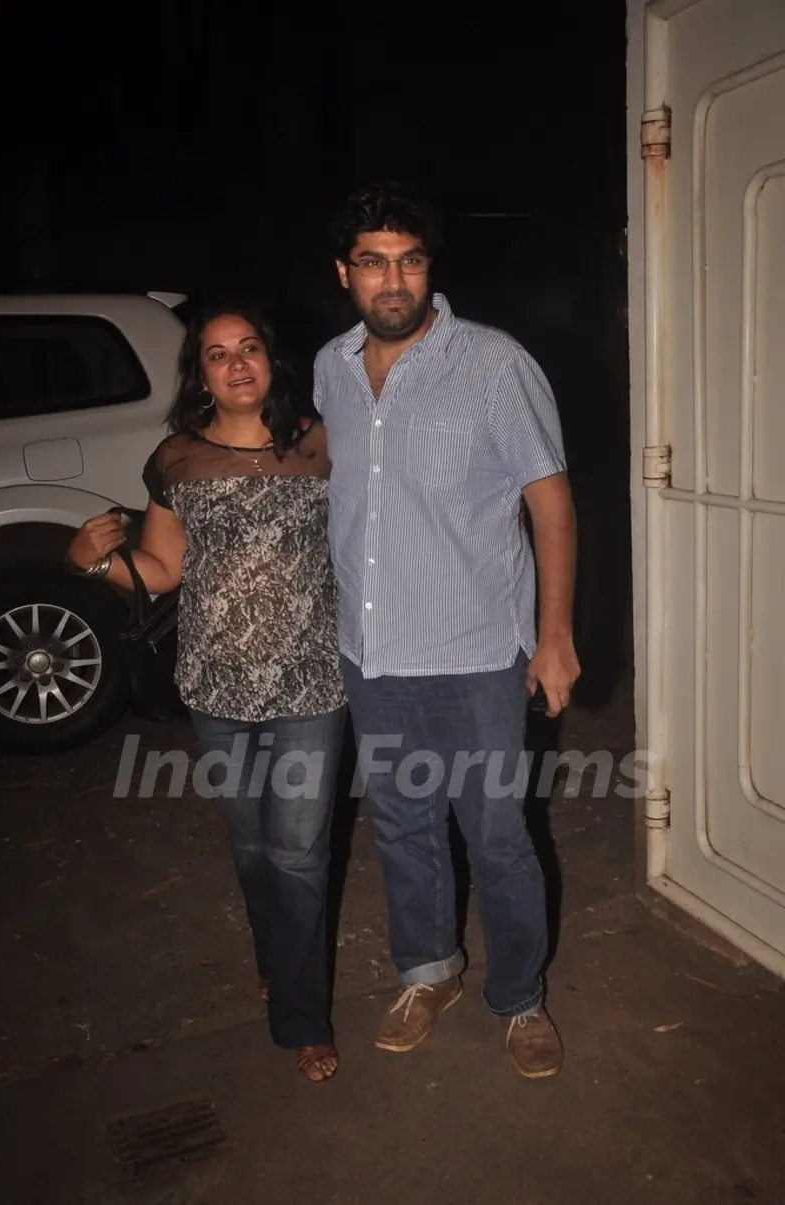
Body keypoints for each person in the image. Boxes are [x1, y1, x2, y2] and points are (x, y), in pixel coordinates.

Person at [312, 184, 580, 1079]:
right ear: (345, 271)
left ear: (431, 267)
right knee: (400, 822)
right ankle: (429, 971)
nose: (395, 279)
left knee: (497, 831)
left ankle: (520, 995)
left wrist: (554, 636)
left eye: (412, 259)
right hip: (373, 652)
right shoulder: (330, 368)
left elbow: (551, 502)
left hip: (474, 653)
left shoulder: (494, 363)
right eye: (376, 260)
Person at [66, 300, 346, 1083]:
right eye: (218, 354)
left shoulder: (324, 445)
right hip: (215, 684)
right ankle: (275, 952)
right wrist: (91, 559)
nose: (237, 363)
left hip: (311, 680)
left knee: (298, 853)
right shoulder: (177, 458)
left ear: (271, 359)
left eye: (249, 347)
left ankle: (300, 1015)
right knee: (254, 846)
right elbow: (160, 571)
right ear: (202, 375)